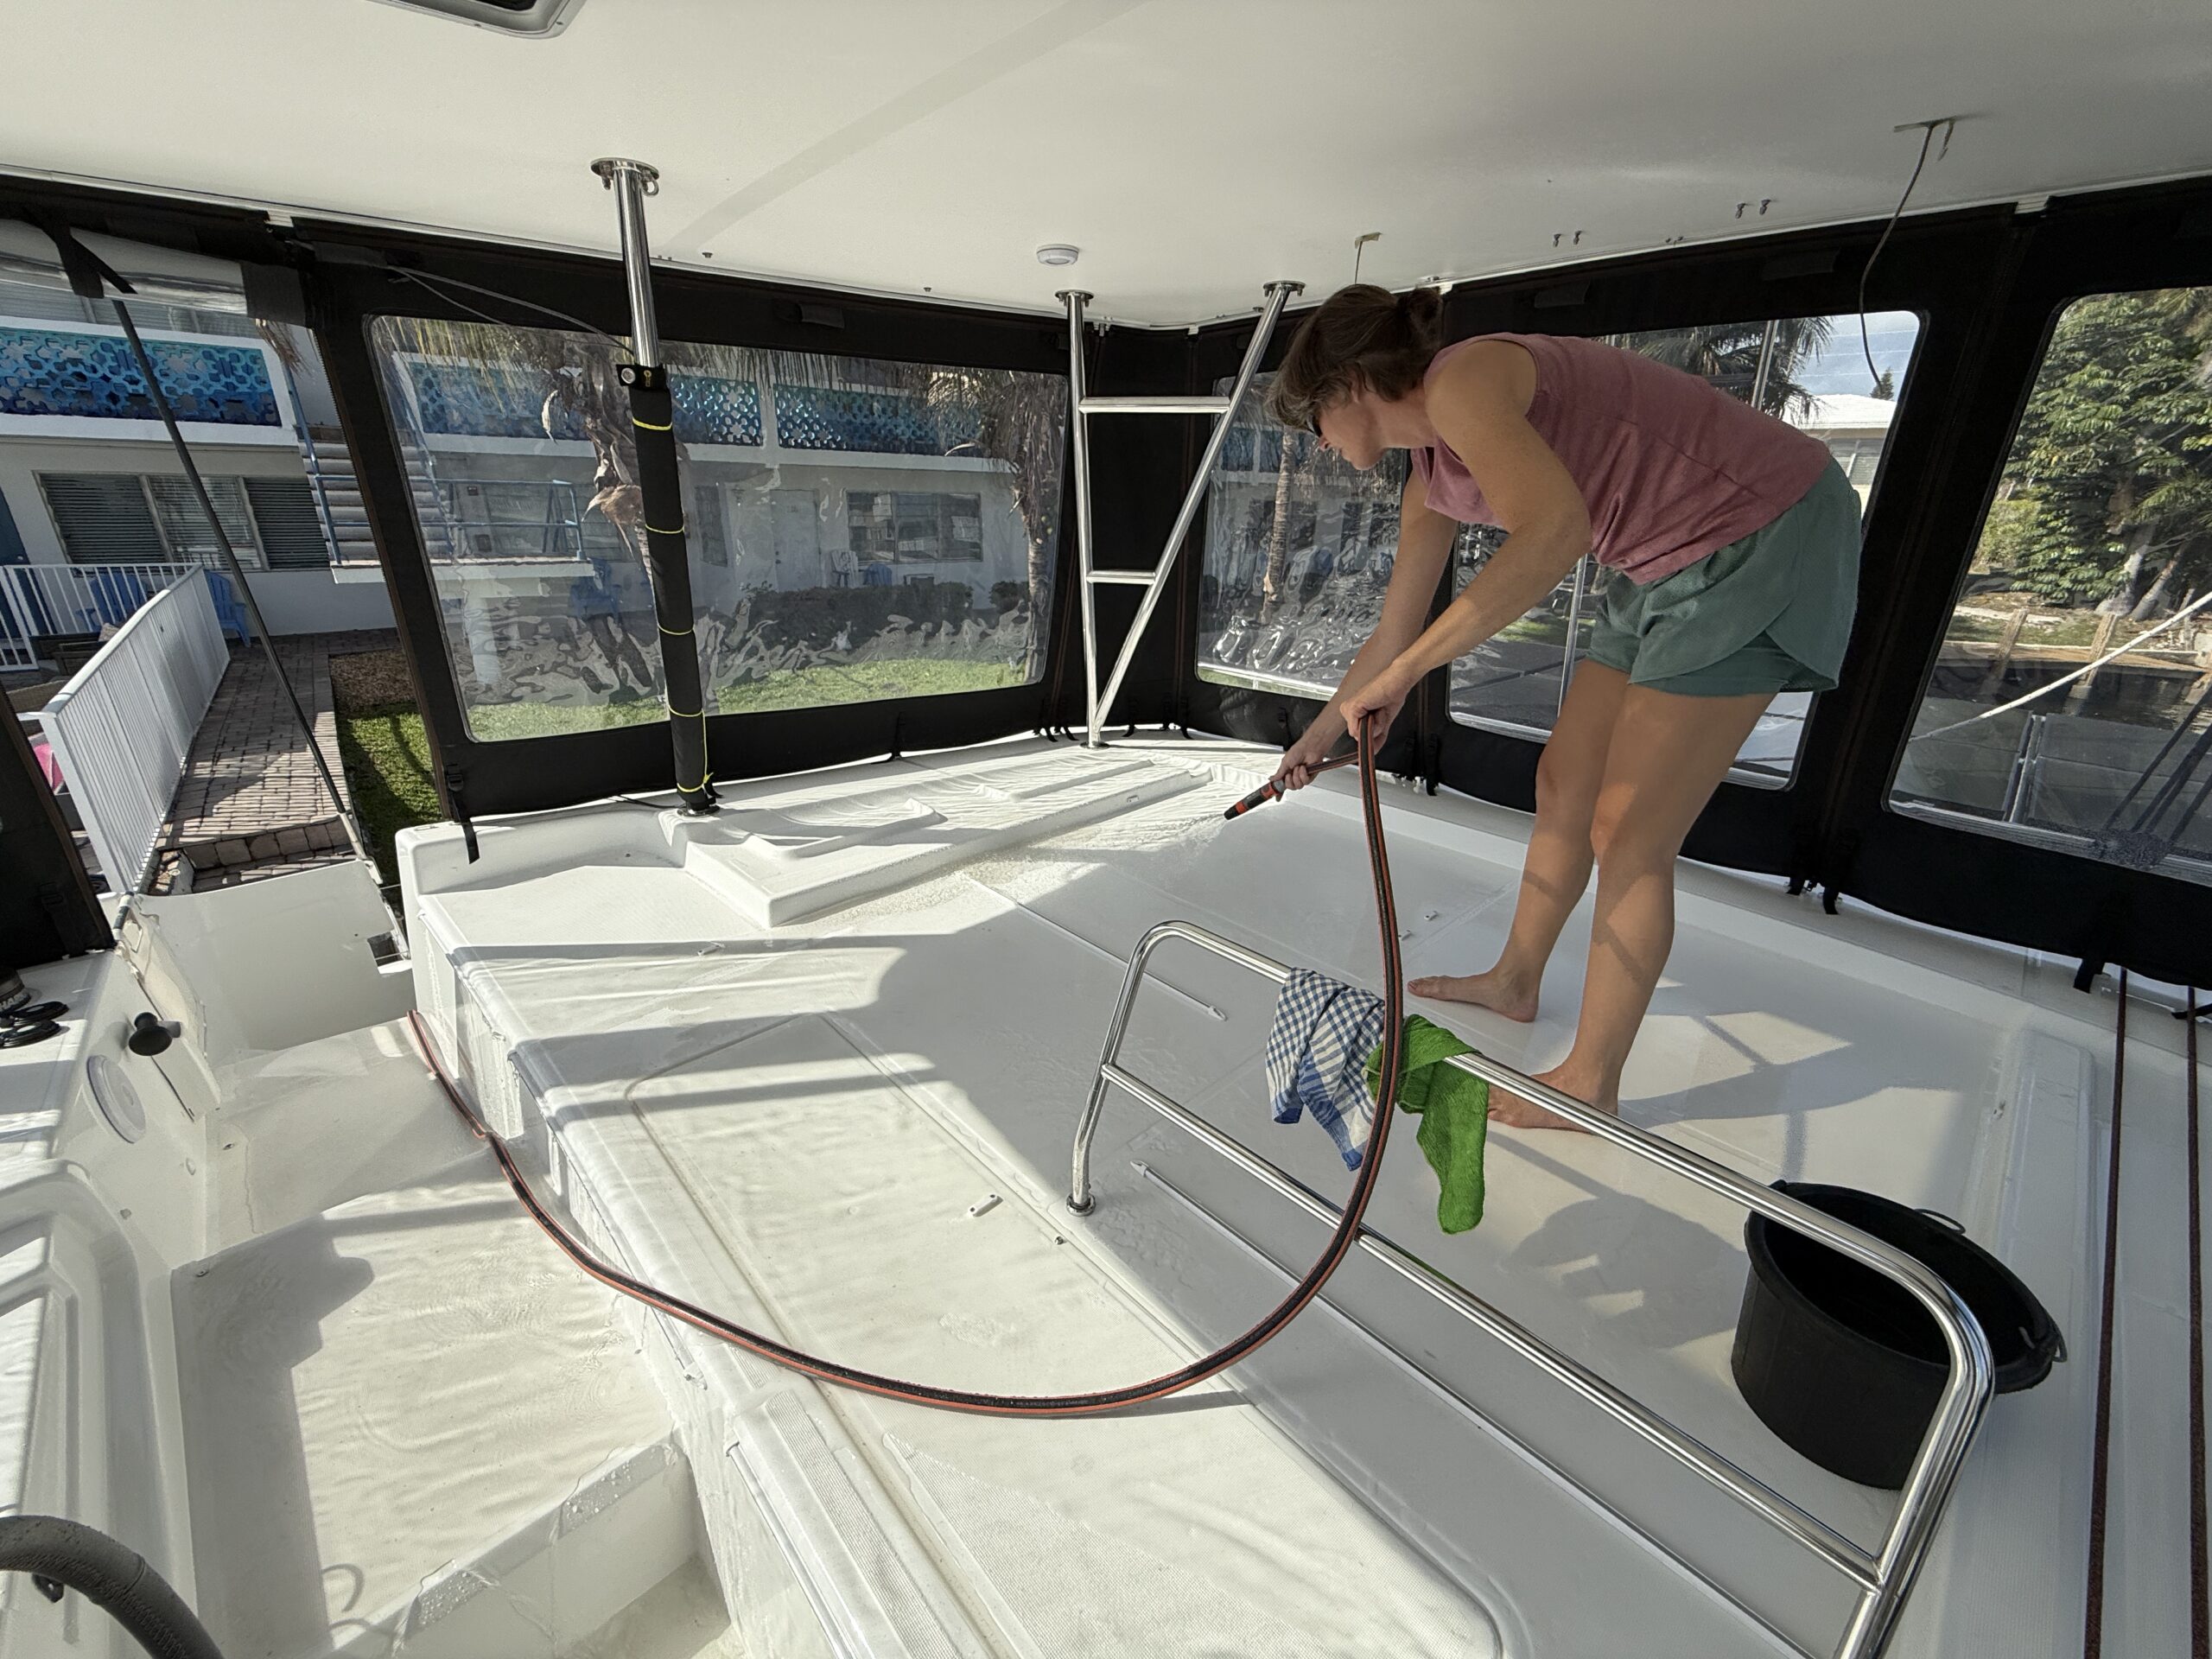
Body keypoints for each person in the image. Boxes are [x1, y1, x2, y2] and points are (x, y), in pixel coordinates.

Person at [1265, 286, 1861, 1129]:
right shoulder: (1429, 474)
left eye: (1313, 419)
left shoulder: (1463, 381)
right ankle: (1515, 981)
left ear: (1351, 384)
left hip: (1760, 529)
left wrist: (1405, 676)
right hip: (1656, 557)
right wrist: (1320, 734)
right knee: (1564, 782)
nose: (1318, 441)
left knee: (1628, 830)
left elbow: (1553, 534)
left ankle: (1590, 1083)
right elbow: (1397, 630)